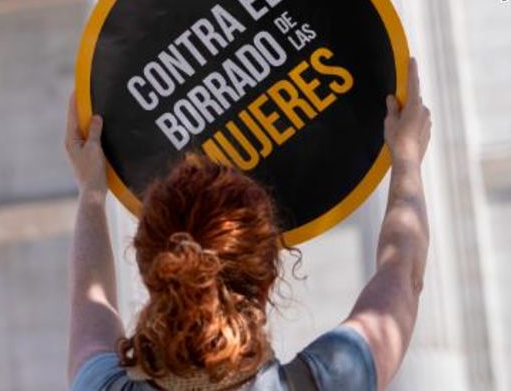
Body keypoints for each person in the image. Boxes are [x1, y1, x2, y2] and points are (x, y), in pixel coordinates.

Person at [65, 57, 432, 391]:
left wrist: (92, 191)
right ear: (268, 277)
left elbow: (88, 291)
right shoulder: (329, 379)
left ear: (153, 269)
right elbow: (403, 273)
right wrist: (407, 157)